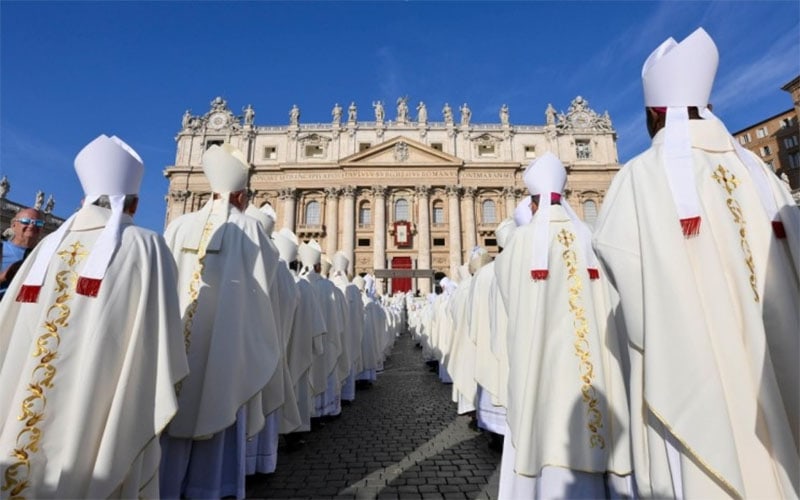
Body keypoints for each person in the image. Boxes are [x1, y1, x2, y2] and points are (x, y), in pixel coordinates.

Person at [593, 28, 800, 499]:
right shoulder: (764, 177)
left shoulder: (640, 177)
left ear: (653, 113)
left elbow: (621, 277)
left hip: (699, 382)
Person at [0, 134, 188, 498]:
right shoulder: (145, 244)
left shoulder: (44, 250)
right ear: (130, 204)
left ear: (85, 198)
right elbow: (159, 334)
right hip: (99, 393)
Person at [494, 152, 632, 498]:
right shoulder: (591, 236)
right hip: (598, 370)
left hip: (543, 364)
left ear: (532, 202)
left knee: (544, 417)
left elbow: (509, 304)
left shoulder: (519, 244)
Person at [160, 143, 282, 499]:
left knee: (171, 415)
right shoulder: (252, 231)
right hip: (224, 348)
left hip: (175, 349)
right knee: (219, 403)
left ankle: (165, 487)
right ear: (243, 196)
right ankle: (210, 488)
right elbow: (265, 292)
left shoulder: (178, 227)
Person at [0, 206, 43, 298]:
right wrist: (3, 277)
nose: (32, 225)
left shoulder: (44, 257)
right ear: (13, 225)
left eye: (38, 223)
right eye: (25, 221)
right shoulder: (1, 248)